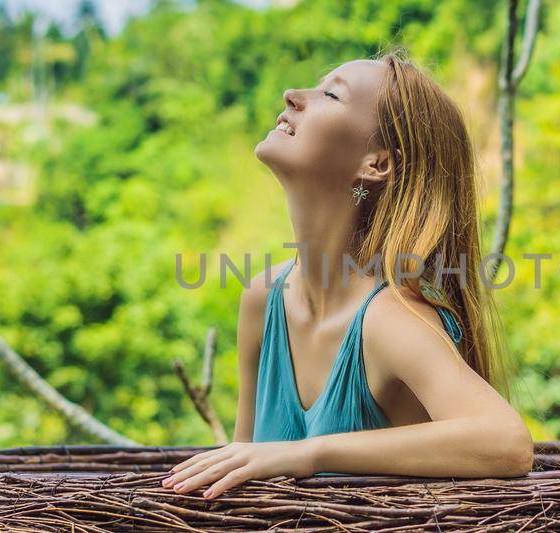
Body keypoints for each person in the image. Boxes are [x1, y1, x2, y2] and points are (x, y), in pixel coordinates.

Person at [161, 47, 533, 500]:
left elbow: (506, 442)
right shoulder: (262, 298)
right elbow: (240, 477)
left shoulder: (389, 321)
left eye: (330, 95)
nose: (293, 95)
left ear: (376, 164)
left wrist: (309, 454)